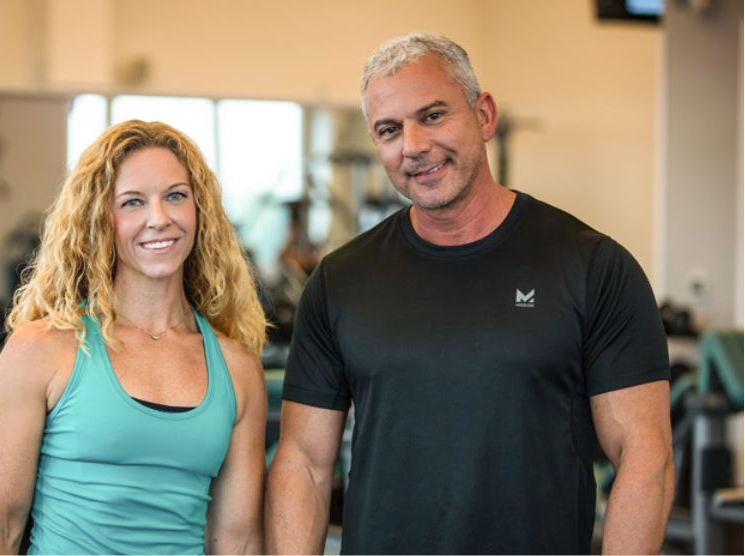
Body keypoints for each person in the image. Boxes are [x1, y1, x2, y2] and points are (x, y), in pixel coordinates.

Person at [266, 32, 674, 555]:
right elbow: (303, 461)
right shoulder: (339, 281)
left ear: (483, 116)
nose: (413, 146)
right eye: (390, 129)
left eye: (433, 116)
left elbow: (646, 456)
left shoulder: (593, 267)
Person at [0, 120, 267, 554]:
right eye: (132, 202)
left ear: (199, 210)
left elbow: (237, 542)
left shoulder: (237, 369)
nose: (159, 218)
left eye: (176, 196)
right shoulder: (44, 350)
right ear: (100, 220)